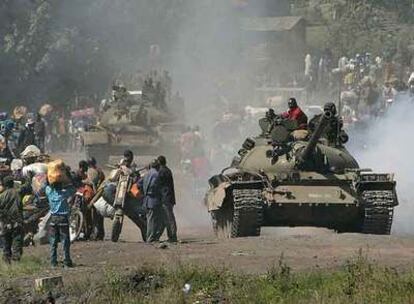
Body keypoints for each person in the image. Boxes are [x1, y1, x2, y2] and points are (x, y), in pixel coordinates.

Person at [45, 181, 76, 267]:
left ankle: (53, 262)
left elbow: (46, 185)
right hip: (63, 219)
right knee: (65, 241)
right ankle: (66, 261)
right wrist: (67, 183)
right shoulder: (64, 193)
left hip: (53, 219)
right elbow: (73, 189)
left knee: (53, 242)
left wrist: (50, 181)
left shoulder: (50, 192)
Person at [0, 176, 23, 263]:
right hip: (17, 222)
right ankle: (17, 264)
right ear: (13, 183)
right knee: (16, 243)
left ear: (4, 185)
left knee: (6, 245)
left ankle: (7, 264)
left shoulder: (1, 196)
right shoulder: (17, 193)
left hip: (5, 224)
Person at [140, 159, 162, 243]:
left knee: (149, 220)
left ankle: (148, 237)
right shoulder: (156, 174)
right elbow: (154, 186)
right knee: (153, 220)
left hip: (147, 200)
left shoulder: (146, 174)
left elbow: (140, 185)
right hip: (154, 199)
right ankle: (151, 238)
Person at [157, 156, 177, 243]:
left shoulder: (162, 171)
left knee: (169, 218)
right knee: (167, 218)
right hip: (169, 197)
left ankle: (173, 236)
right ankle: (171, 236)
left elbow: (157, 183)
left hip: (166, 198)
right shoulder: (167, 170)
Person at [86, 157, 105, 240]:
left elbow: (92, 183)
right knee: (99, 216)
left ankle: (95, 233)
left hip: (94, 195)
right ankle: (101, 234)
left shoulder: (90, 171)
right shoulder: (99, 171)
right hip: (100, 194)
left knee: (94, 216)